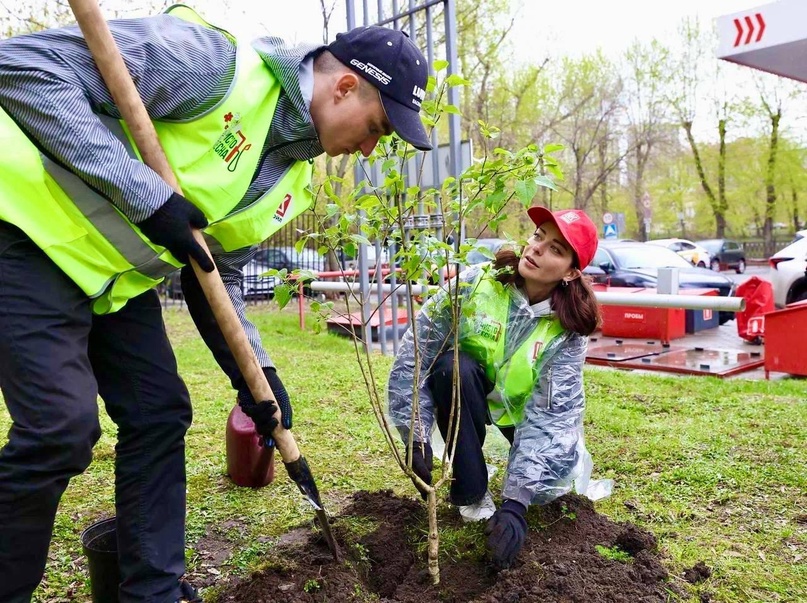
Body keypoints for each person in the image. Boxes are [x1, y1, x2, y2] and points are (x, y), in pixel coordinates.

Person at [0, 3, 431, 601]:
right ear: (346, 87)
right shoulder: (213, 65)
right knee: (60, 429)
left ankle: (152, 593)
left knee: (158, 412)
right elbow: (21, 68)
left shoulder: (292, 180)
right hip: (23, 229)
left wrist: (259, 375)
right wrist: (145, 194)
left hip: (107, 278)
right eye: (379, 128)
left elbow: (214, 278)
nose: (368, 150)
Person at [387, 207, 604, 571]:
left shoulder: (567, 329)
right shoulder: (475, 283)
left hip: (523, 414)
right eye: (538, 236)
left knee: (551, 485)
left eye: (555, 248)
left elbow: (551, 416)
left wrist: (516, 504)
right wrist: (418, 438)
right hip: (469, 394)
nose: (536, 249)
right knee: (452, 367)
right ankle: (471, 493)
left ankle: (517, 492)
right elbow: (416, 355)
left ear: (571, 272)